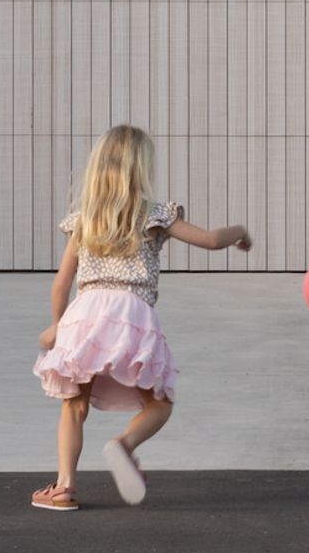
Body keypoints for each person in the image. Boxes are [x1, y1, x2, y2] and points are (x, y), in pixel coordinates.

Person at [31, 125, 250, 510]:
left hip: (86, 313)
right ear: (142, 169)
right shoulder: (155, 215)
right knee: (159, 402)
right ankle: (124, 445)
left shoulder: (85, 220)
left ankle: (64, 488)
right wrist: (240, 232)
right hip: (133, 315)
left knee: (74, 405)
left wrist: (58, 325)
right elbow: (213, 240)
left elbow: (61, 284)